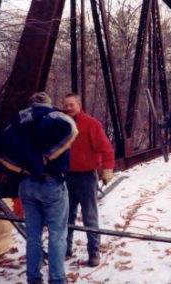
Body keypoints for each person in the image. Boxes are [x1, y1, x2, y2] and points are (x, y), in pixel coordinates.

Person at [0, 92, 78, 284]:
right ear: (48, 104)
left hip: (26, 184)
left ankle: (34, 278)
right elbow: (72, 129)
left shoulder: (18, 122)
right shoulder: (55, 117)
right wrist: (49, 156)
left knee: (33, 236)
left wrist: (21, 167)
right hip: (51, 183)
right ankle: (57, 280)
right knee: (57, 235)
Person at [64, 92, 114, 267]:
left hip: (86, 177)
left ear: (79, 105)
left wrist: (107, 168)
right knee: (66, 216)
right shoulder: (62, 124)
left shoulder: (91, 124)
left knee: (89, 217)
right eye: (66, 105)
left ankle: (94, 252)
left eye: (71, 105)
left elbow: (107, 148)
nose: (68, 108)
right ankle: (65, 249)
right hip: (67, 177)